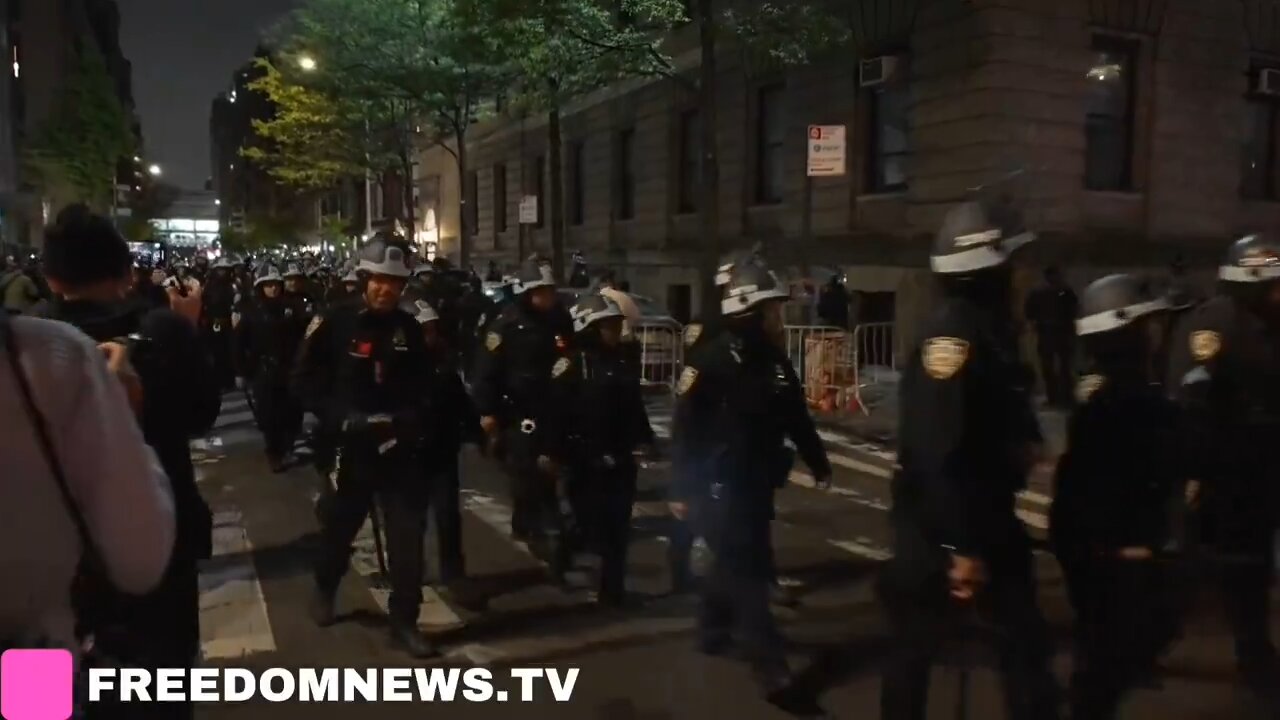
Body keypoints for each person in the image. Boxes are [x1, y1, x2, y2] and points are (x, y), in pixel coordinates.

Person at [880, 196, 1059, 720]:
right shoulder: (953, 338)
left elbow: (999, 408)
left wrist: (1025, 445)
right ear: (988, 270)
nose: (1023, 275)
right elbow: (941, 451)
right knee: (915, 652)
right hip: (940, 529)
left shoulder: (991, 333)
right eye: (1014, 264)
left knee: (1024, 648)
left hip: (984, 518)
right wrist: (961, 547)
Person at [669, 258, 830, 700]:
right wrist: (682, 488)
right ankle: (769, 665)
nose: (779, 319)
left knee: (734, 563)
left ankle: (711, 628)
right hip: (720, 482)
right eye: (771, 311)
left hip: (758, 480)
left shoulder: (774, 361)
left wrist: (817, 460)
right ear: (748, 315)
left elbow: (795, 414)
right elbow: (685, 428)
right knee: (749, 571)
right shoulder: (710, 360)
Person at [0, 312, 176, 655]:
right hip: (31, 652)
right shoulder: (46, 354)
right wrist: (118, 415)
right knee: (37, 707)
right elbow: (139, 561)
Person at [294, 236, 436, 658]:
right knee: (339, 531)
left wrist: (413, 416)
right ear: (363, 279)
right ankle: (325, 587)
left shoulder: (408, 329)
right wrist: (339, 416)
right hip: (348, 449)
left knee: (408, 540)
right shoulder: (334, 322)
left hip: (398, 449)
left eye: (394, 282)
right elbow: (302, 380)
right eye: (378, 280)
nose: (385, 289)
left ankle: (405, 622)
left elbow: (427, 384)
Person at [1050, 274, 1183, 719]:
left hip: (1106, 560)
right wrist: (1130, 551)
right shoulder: (1130, 409)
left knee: (1101, 674)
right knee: (1100, 679)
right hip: (1118, 563)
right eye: (1148, 328)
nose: (1157, 337)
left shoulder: (1111, 403)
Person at [1166, 232, 1280, 692]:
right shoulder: (1212, 326)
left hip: (1262, 469)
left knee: (1250, 566)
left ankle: (1255, 654)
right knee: (1195, 568)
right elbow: (1192, 401)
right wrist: (1192, 470)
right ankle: (1138, 644)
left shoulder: (1270, 325)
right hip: (1221, 472)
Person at [548, 294, 656, 605]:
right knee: (584, 521)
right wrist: (553, 451)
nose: (614, 333)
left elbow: (634, 406)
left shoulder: (621, 362)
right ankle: (564, 552)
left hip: (619, 455)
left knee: (618, 524)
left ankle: (613, 589)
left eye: (615, 326)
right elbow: (556, 412)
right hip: (583, 456)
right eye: (608, 326)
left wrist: (644, 439)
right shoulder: (571, 365)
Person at [472, 255, 573, 577]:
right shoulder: (506, 324)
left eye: (549, 290)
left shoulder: (560, 319)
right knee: (527, 472)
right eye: (540, 291)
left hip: (554, 407)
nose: (547, 297)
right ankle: (538, 530)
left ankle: (537, 522)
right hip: (518, 411)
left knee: (553, 468)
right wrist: (487, 411)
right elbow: (486, 370)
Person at [402, 295, 483, 603]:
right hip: (406, 456)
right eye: (423, 330)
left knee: (448, 515)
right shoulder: (394, 364)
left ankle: (454, 574)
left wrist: (476, 432)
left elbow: (459, 400)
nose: (429, 336)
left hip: (441, 451)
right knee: (410, 522)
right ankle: (409, 578)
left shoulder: (443, 362)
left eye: (432, 329)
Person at [236, 264, 308, 472]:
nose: (273, 289)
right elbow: (239, 343)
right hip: (264, 371)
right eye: (268, 286)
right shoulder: (251, 311)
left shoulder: (293, 308)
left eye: (276, 285)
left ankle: (288, 448)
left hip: (290, 369)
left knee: (293, 412)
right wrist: (241, 371)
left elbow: (304, 338)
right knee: (269, 415)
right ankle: (274, 453)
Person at [1024, 266, 1078, 408]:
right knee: (1058, 367)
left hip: (1050, 332)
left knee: (1054, 367)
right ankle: (1062, 397)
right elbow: (1074, 309)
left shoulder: (1042, 291)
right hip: (1057, 332)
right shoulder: (1064, 290)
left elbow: (1029, 312)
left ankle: (1057, 396)